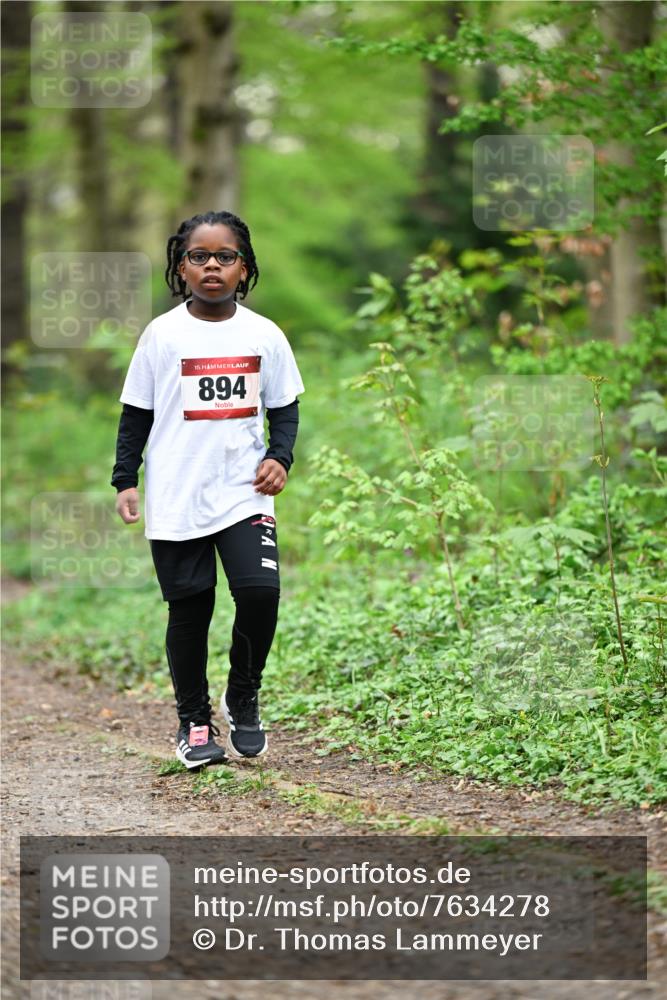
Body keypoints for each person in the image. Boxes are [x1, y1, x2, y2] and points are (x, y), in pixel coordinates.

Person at [111, 210, 304, 770]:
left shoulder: (264, 334)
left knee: (260, 594)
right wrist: (125, 479)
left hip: (243, 492)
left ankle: (242, 694)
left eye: (225, 256)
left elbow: (285, 408)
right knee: (190, 610)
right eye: (199, 256)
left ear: (244, 268)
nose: (212, 266)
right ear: (181, 267)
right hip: (177, 493)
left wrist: (279, 456)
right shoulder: (161, 335)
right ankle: (194, 722)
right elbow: (136, 414)